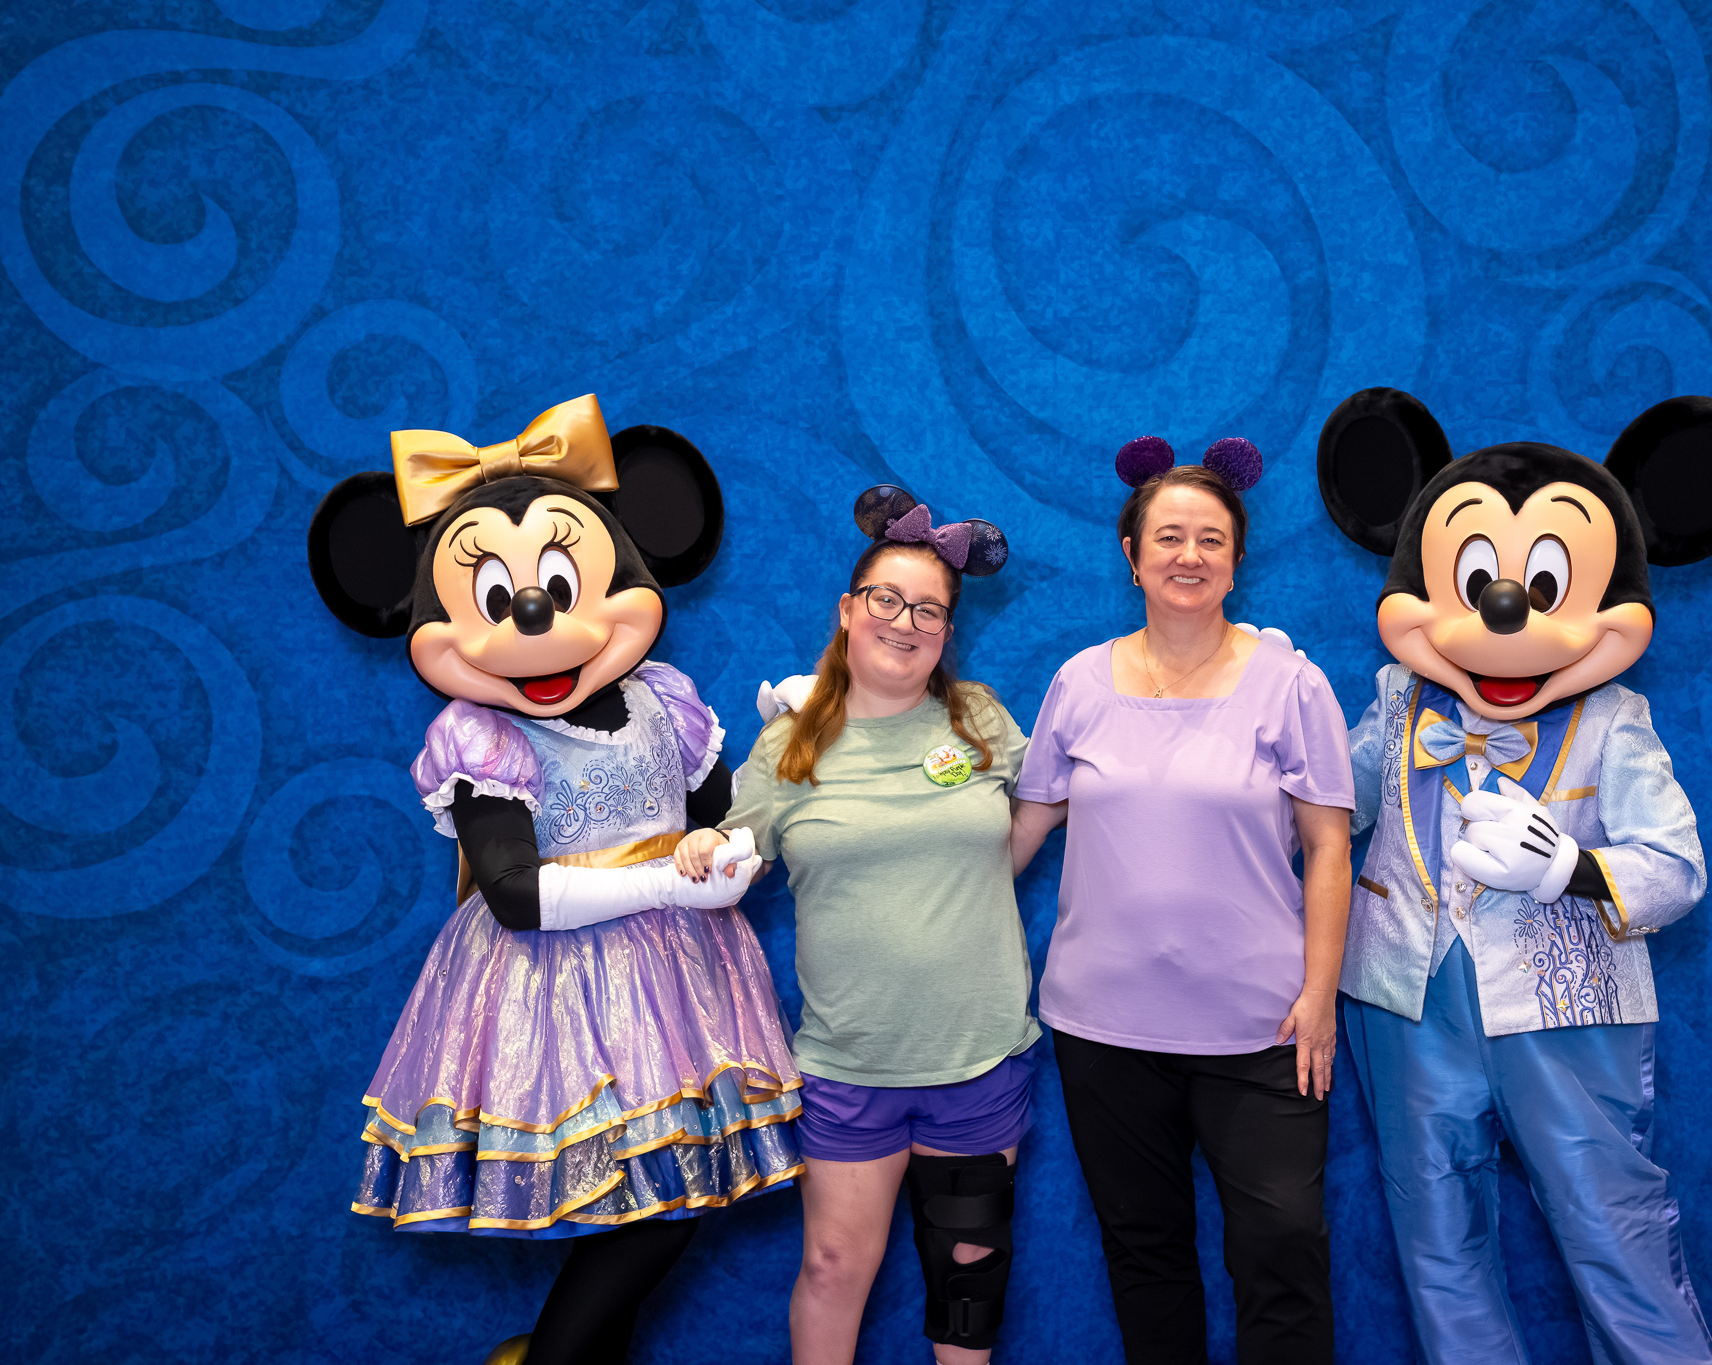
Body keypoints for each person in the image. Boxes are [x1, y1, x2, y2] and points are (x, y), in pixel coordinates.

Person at [306, 397, 804, 1365]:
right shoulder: (480, 736)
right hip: (553, 993)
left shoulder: (665, 700)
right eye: (495, 598)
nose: (534, 616)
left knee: (662, 1192)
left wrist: (786, 743)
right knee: (644, 1201)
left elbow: (723, 825)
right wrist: (670, 885)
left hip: (683, 983)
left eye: (560, 583)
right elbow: (517, 896)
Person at [1315, 386, 1712, 1363]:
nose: (1503, 611)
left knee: (1611, 1231)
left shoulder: (1613, 721)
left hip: (1567, 1011)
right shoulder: (1399, 699)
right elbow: (1325, 807)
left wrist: (1569, 866)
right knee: (1436, 1240)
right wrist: (1264, 717)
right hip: (1405, 1000)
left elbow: (1677, 870)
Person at [1008, 436, 1356, 1365]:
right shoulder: (1078, 682)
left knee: (1283, 1249)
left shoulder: (1293, 685)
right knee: (1145, 1254)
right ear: (1132, 555)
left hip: (1264, 1028)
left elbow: (1329, 848)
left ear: (1238, 560)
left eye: (1210, 539)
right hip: (1103, 1029)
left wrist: (1321, 996)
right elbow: (1020, 833)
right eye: (1168, 537)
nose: (1188, 555)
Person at [673, 486, 1035, 1365]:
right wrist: (703, 845)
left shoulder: (980, 719)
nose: (905, 622)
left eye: (928, 609)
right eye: (886, 599)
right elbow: (734, 854)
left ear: (947, 630)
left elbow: (1050, 803)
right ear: (847, 609)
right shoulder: (788, 744)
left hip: (977, 1055)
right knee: (834, 1266)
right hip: (848, 1063)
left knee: (969, 1278)